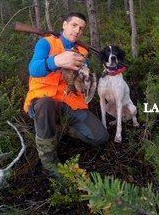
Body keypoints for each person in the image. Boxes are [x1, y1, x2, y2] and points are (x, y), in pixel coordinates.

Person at [24, 12, 109, 176]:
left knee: (101, 137)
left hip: (71, 101)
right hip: (43, 99)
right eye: (74, 25)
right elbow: (34, 69)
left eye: (81, 28)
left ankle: (61, 127)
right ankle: (48, 162)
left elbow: (84, 76)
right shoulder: (46, 43)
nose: (77, 31)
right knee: (46, 103)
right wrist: (56, 61)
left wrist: (84, 80)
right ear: (64, 25)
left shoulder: (82, 51)